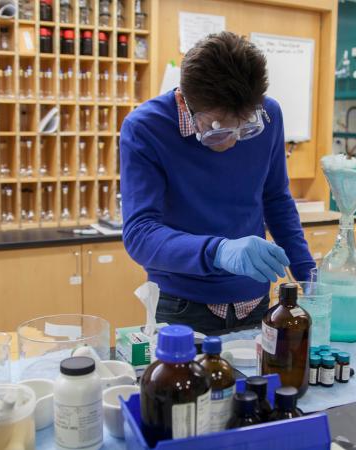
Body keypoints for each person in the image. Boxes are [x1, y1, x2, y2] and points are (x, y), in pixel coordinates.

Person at [119, 31, 315, 335]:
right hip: (183, 306)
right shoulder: (145, 128)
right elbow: (140, 235)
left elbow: (275, 199)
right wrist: (218, 251)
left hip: (258, 301)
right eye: (219, 131)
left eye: (246, 128)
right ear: (185, 102)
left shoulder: (269, 114)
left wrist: (309, 277)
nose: (234, 143)